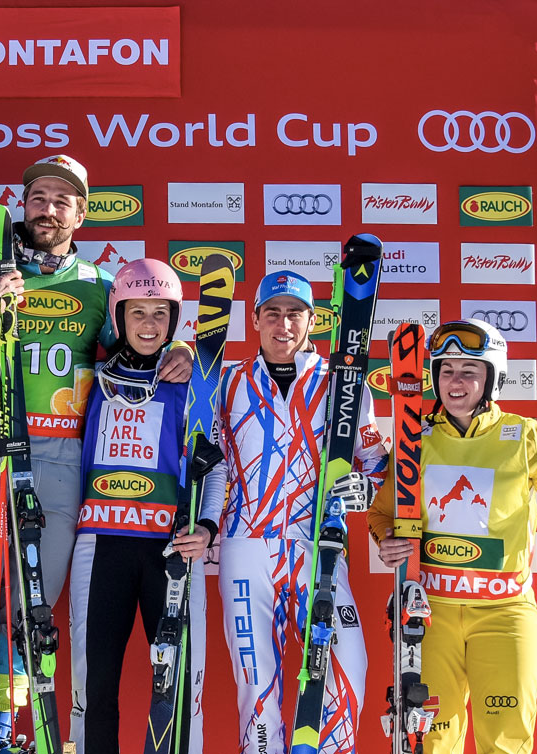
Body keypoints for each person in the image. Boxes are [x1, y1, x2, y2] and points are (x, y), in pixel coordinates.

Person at [0, 155, 191, 754]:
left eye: (62, 200)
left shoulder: (101, 286)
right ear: (24, 205)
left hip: (62, 458)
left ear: (81, 213)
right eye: (38, 197)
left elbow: (137, 347)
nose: (48, 209)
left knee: (33, 602)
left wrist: (175, 346)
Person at [368, 318, 537, 754]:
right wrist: (387, 538)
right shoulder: (414, 437)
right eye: (446, 371)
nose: (455, 382)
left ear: (491, 377)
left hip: (503, 613)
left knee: (505, 741)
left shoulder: (523, 436)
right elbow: (382, 513)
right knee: (432, 741)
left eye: (468, 371)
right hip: (430, 614)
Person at [202, 269, 387, 754]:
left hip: (318, 548)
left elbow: (379, 464)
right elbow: (210, 463)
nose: (283, 324)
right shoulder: (227, 384)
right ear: (256, 319)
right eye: (273, 313)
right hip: (246, 548)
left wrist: (364, 490)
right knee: (256, 683)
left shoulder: (341, 385)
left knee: (348, 668)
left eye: (295, 314)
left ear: (311, 321)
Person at [68, 258, 212, 753]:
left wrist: (208, 527)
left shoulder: (192, 380)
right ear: (118, 315)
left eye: (160, 314)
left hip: (170, 551)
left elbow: (212, 463)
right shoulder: (90, 376)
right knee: (95, 684)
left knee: (178, 686)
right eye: (137, 313)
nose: (148, 325)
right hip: (101, 545)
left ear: (174, 320)